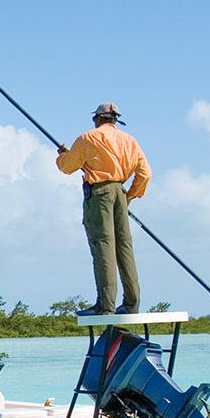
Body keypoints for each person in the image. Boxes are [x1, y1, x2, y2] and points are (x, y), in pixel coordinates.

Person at [55, 102, 151, 315]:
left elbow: (67, 167)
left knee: (103, 247)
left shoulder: (88, 138)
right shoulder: (130, 141)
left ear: (97, 119)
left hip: (99, 194)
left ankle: (105, 306)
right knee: (124, 247)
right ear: (115, 120)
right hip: (120, 192)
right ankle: (131, 304)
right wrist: (130, 196)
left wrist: (63, 155)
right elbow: (145, 174)